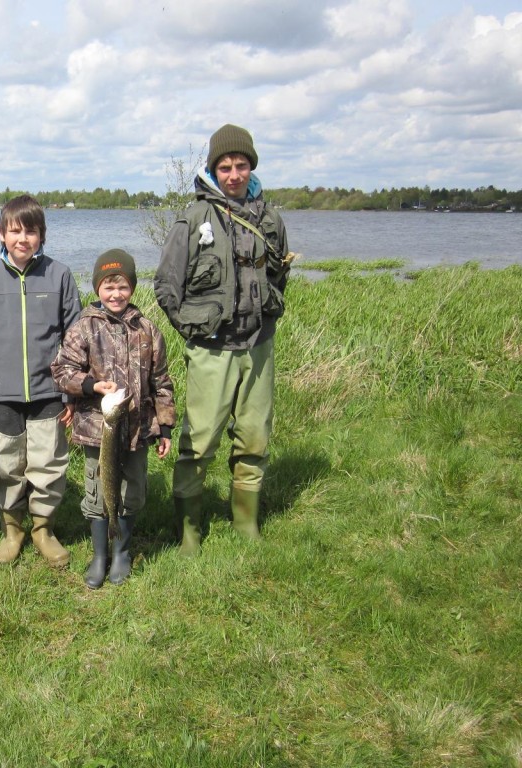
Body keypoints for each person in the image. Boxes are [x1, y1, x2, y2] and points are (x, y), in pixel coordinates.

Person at [154, 124, 293, 555]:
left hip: (259, 345)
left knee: (254, 437)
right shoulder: (194, 218)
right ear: (213, 170)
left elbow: (279, 276)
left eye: (241, 165)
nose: (234, 174)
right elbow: (166, 286)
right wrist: (196, 328)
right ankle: (189, 533)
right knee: (199, 442)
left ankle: (246, 523)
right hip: (212, 350)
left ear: (252, 167)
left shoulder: (270, 219)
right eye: (225, 167)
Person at [0, 195, 82, 567]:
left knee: (48, 463)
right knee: (6, 466)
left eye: (30, 231)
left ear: (41, 235)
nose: (22, 239)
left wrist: (72, 392)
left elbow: (75, 339)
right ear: (1, 233)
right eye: (15, 231)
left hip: (49, 392)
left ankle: (43, 530)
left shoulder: (59, 275)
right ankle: (12, 531)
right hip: (1, 394)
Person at [51, 249, 174, 587]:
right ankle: (99, 554)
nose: (116, 294)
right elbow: (61, 371)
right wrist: (91, 385)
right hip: (98, 429)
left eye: (122, 287)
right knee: (98, 493)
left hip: (137, 431)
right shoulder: (83, 327)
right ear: (97, 289)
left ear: (132, 288)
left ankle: (122, 551)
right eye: (108, 287)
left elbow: (162, 382)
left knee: (132, 492)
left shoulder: (148, 330)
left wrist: (164, 427)